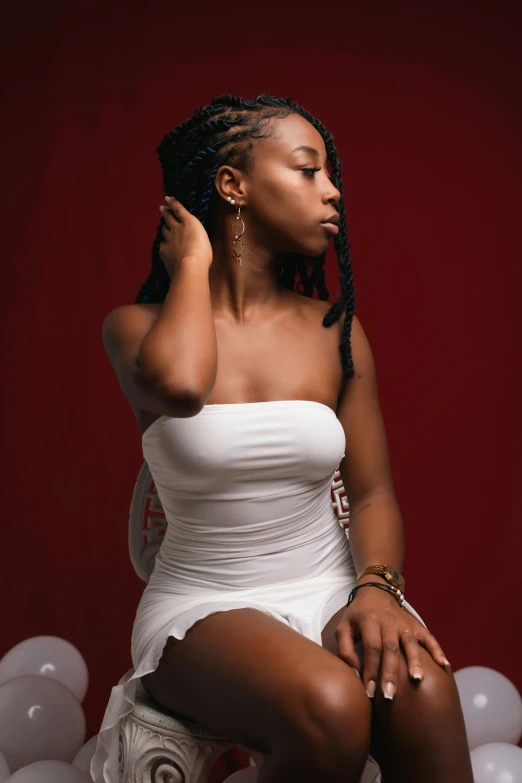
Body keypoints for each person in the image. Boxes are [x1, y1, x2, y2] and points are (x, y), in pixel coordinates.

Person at [91, 93, 473, 782]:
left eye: (331, 175)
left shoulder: (337, 332)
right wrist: (190, 266)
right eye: (307, 170)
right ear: (232, 185)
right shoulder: (136, 328)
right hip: (205, 602)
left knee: (428, 694)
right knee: (329, 704)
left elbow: (374, 490)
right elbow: (181, 386)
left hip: (330, 584)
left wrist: (377, 588)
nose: (331, 192)